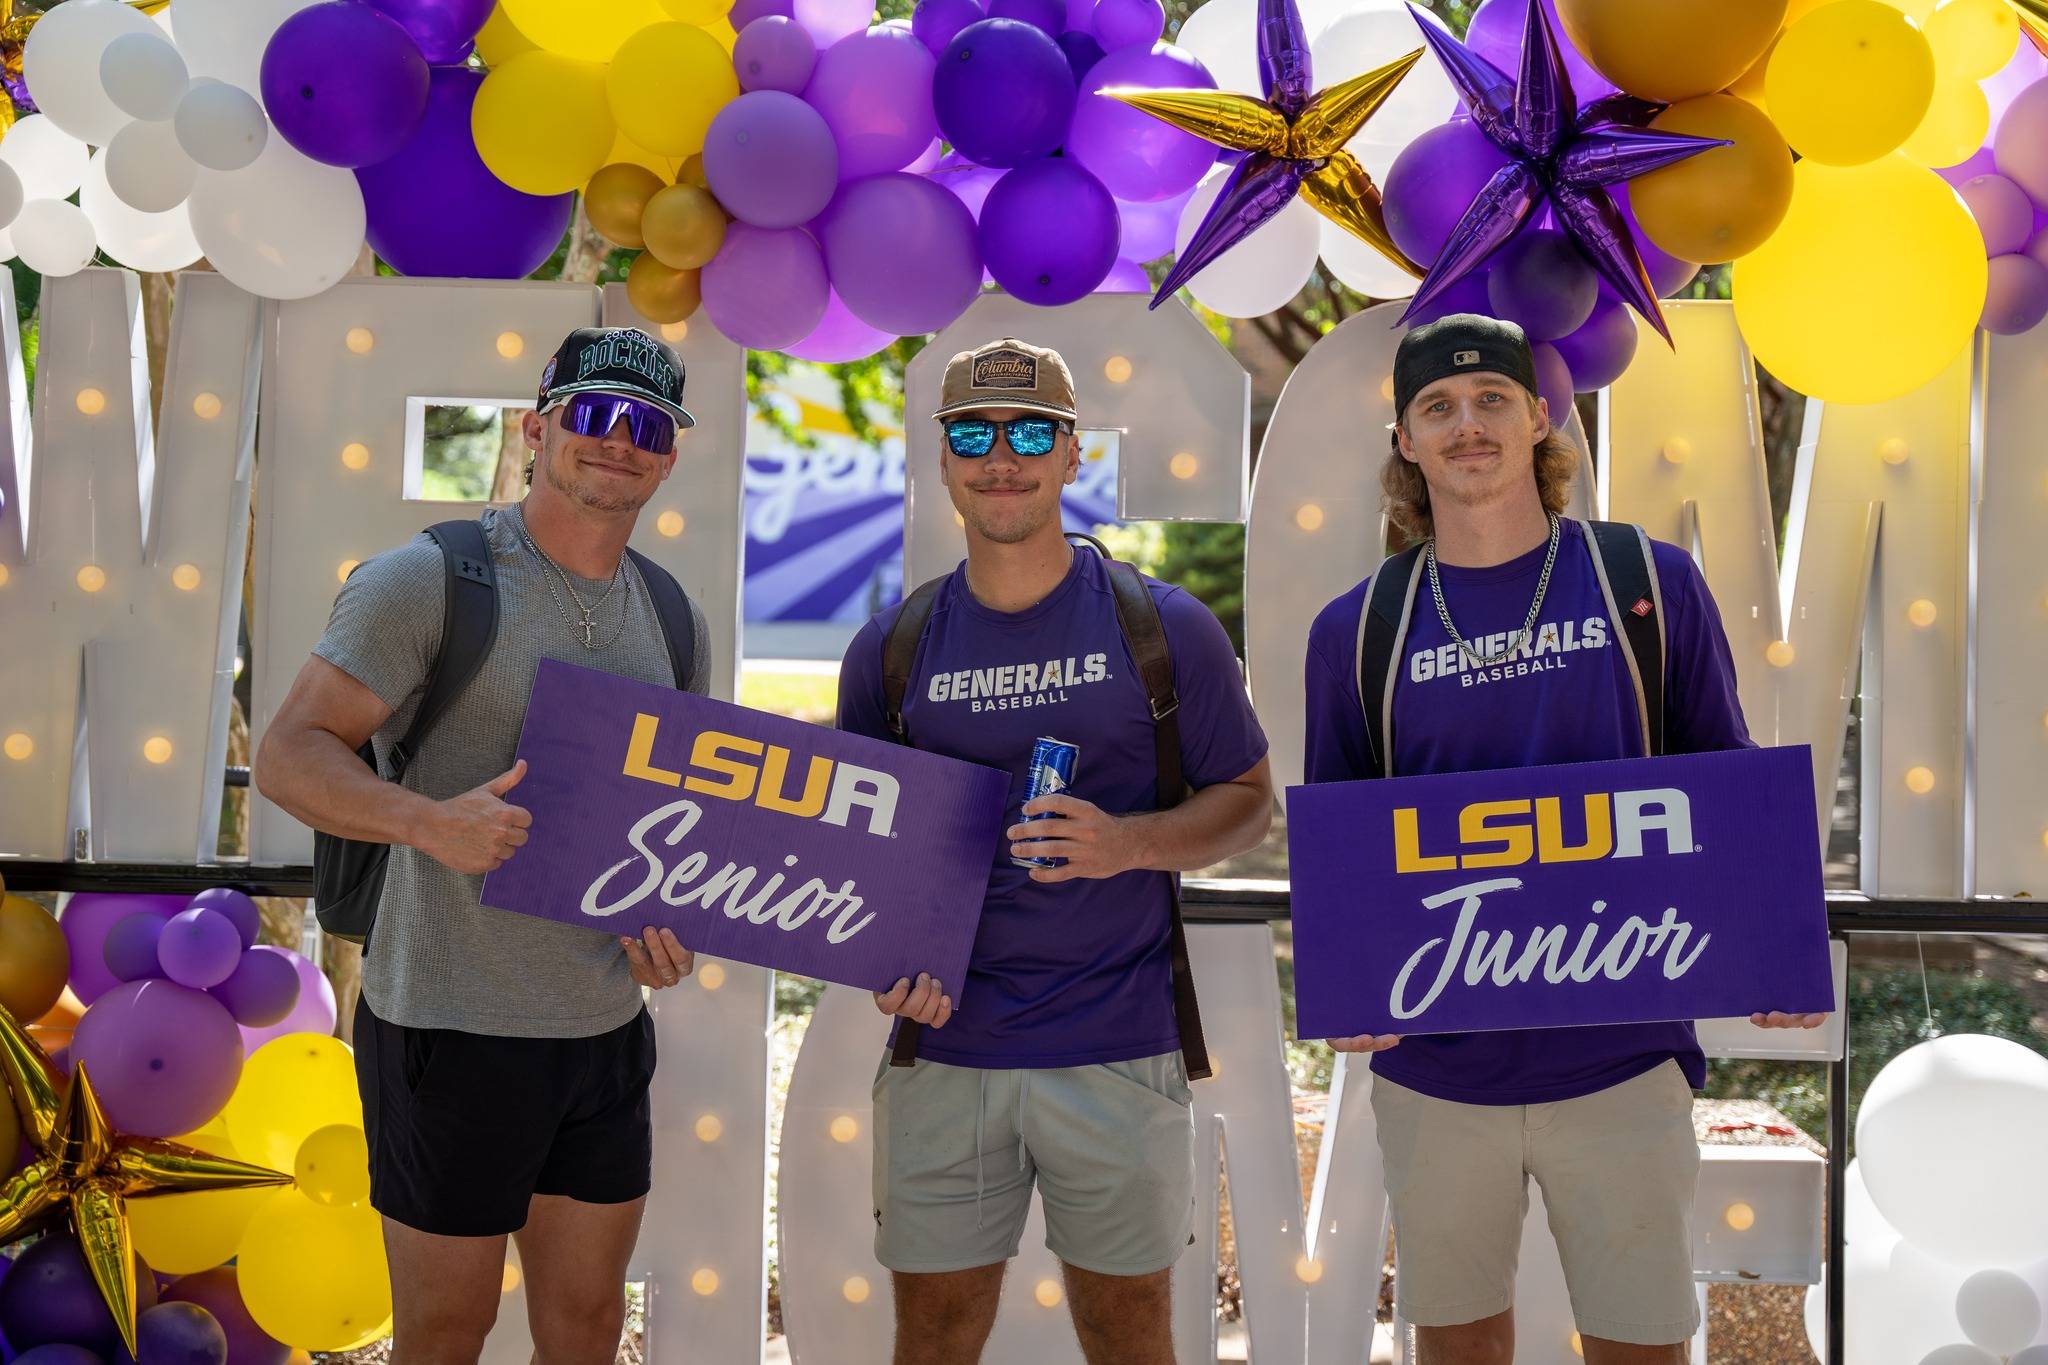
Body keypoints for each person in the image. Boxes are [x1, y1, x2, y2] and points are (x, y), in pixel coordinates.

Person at [1299, 314, 1827, 1365]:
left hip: (1620, 1056)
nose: (1467, 426)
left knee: (1639, 1348)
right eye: (1436, 408)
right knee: (1454, 1349)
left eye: (1491, 399)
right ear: (1403, 440)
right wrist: (1349, 984)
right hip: (1437, 1069)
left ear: (1541, 419)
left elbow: (1716, 778)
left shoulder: (1646, 582)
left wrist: (1771, 941)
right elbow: (1347, 837)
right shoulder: (1357, 627)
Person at [256, 326, 713, 1365]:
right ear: (536, 426)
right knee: (446, 1333)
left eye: (644, 425)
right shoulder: (429, 580)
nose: (617, 442)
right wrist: (427, 820)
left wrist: (667, 924)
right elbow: (289, 754)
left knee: (588, 1327)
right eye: (592, 415)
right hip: (447, 1029)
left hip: (602, 1029)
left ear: (668, 455)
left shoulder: (674, 615)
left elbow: (665, 824)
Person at [836, 338, 1273, 1365]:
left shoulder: (1162, 628)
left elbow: (1245, 801)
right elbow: (850, 853)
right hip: (941, 1053)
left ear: (1073, 454)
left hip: (1116, 1047)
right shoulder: (893, 649)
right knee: (933, 1339)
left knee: (1127, 1337)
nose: (1002, 457)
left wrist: (1130, 842)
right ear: (939, 457)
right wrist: (881, 960)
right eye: (973, 434)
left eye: (1030, 431)